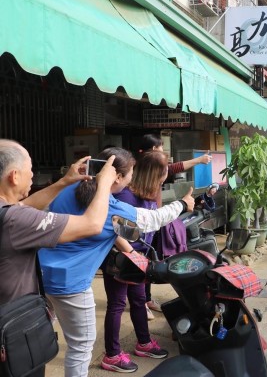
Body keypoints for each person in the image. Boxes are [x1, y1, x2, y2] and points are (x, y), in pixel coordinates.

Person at [38, 147, 194, 377]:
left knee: (42, 338)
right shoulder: (110, 206)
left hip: (40, 276)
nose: (132, 177)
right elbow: (152, 220)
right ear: (117, 177)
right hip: (70, 284)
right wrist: (183, 204)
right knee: (81, 347)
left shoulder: (68, 190)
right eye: (130, 172)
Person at [0, 140, 117, 377]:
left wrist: (65, 182)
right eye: (30, 169)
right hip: (12, 332)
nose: (32, 175)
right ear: (14, 176)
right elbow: (92, 224)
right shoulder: (15, 220)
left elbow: (23, 206)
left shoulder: (9, 213)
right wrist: (104, 184)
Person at [101, 150, 172, 373]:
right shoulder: (125, 196)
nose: (168, 173)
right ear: (156, 173)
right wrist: (132, 254)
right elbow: (114, 230)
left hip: (139, 259)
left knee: (139, 300)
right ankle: (112, 355)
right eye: (165, 170)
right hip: (121, 259)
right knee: (117, 305)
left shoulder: (149, 193)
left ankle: (143, 342)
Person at [137, 133, 211, 316]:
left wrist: (200, 160)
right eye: (161, 148)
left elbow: (174, 168)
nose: (165, 174)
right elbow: (174, 168)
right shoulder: (143, 171)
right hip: (143, 223)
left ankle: (144, 299)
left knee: (150, 261)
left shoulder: (154, 169)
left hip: (155, 221)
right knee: (142, 261)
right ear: (154, 150)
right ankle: (140, 303)